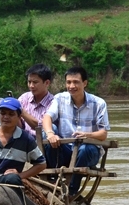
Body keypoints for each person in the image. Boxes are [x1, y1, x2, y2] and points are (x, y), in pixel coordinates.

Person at [41, 66, 110, 195]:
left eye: (76, 82)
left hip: (88, 151)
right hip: (66, 150)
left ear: (84, 83)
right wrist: (50, 134)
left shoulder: (99, 103)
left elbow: (103, 134)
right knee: (49, 131)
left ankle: (71, 189)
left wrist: (87, 135)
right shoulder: (60, 99)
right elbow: (47, 117)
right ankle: (55, 180)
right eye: (68, 82)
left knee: (84, 148)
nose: (71, 86)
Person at [0, 97, 46, 197]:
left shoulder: (26, 139)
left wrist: (20, 176)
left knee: (13, 179)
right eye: (3, 113)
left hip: (7, 182)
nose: (6, 117)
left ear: (19, 117)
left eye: (11, 114)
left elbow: (41, 164)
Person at [17, 63, 55, 139]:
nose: (31, 86)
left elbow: (41, 127)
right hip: (23, 141)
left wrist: (22, 112)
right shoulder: (24, 98)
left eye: (35, 82)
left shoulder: (53, 102)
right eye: (29, 82)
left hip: (43, 143)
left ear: (47, 83)